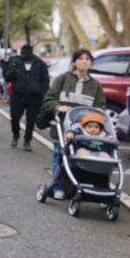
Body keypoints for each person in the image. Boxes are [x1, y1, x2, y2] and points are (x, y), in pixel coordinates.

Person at [41, 49, 106, 200]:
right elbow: (49, 99)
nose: (84, 61)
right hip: (62, 128)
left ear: (91, 63)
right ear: (74, 62)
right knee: (60, 157)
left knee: (79, 160)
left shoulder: (95, 85)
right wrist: (58, 107)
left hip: (85, 131)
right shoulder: (62, 79)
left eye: (87, 59)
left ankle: (74, 187)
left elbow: (100, 107)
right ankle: (57, 187)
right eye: (81, 58)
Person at [4, 44, 49, 152]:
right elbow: (7, 78)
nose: (24, 54)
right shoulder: (15, 61)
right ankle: (16, 134)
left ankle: (27, 140)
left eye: (27, 52)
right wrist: (11, 72)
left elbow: (45, 81)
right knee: (14, 117)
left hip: (34, 96)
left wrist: (43, 95)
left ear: (31, 52)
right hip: (17, 95)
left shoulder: (39, 63)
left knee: (31, 120)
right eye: (23, 52)